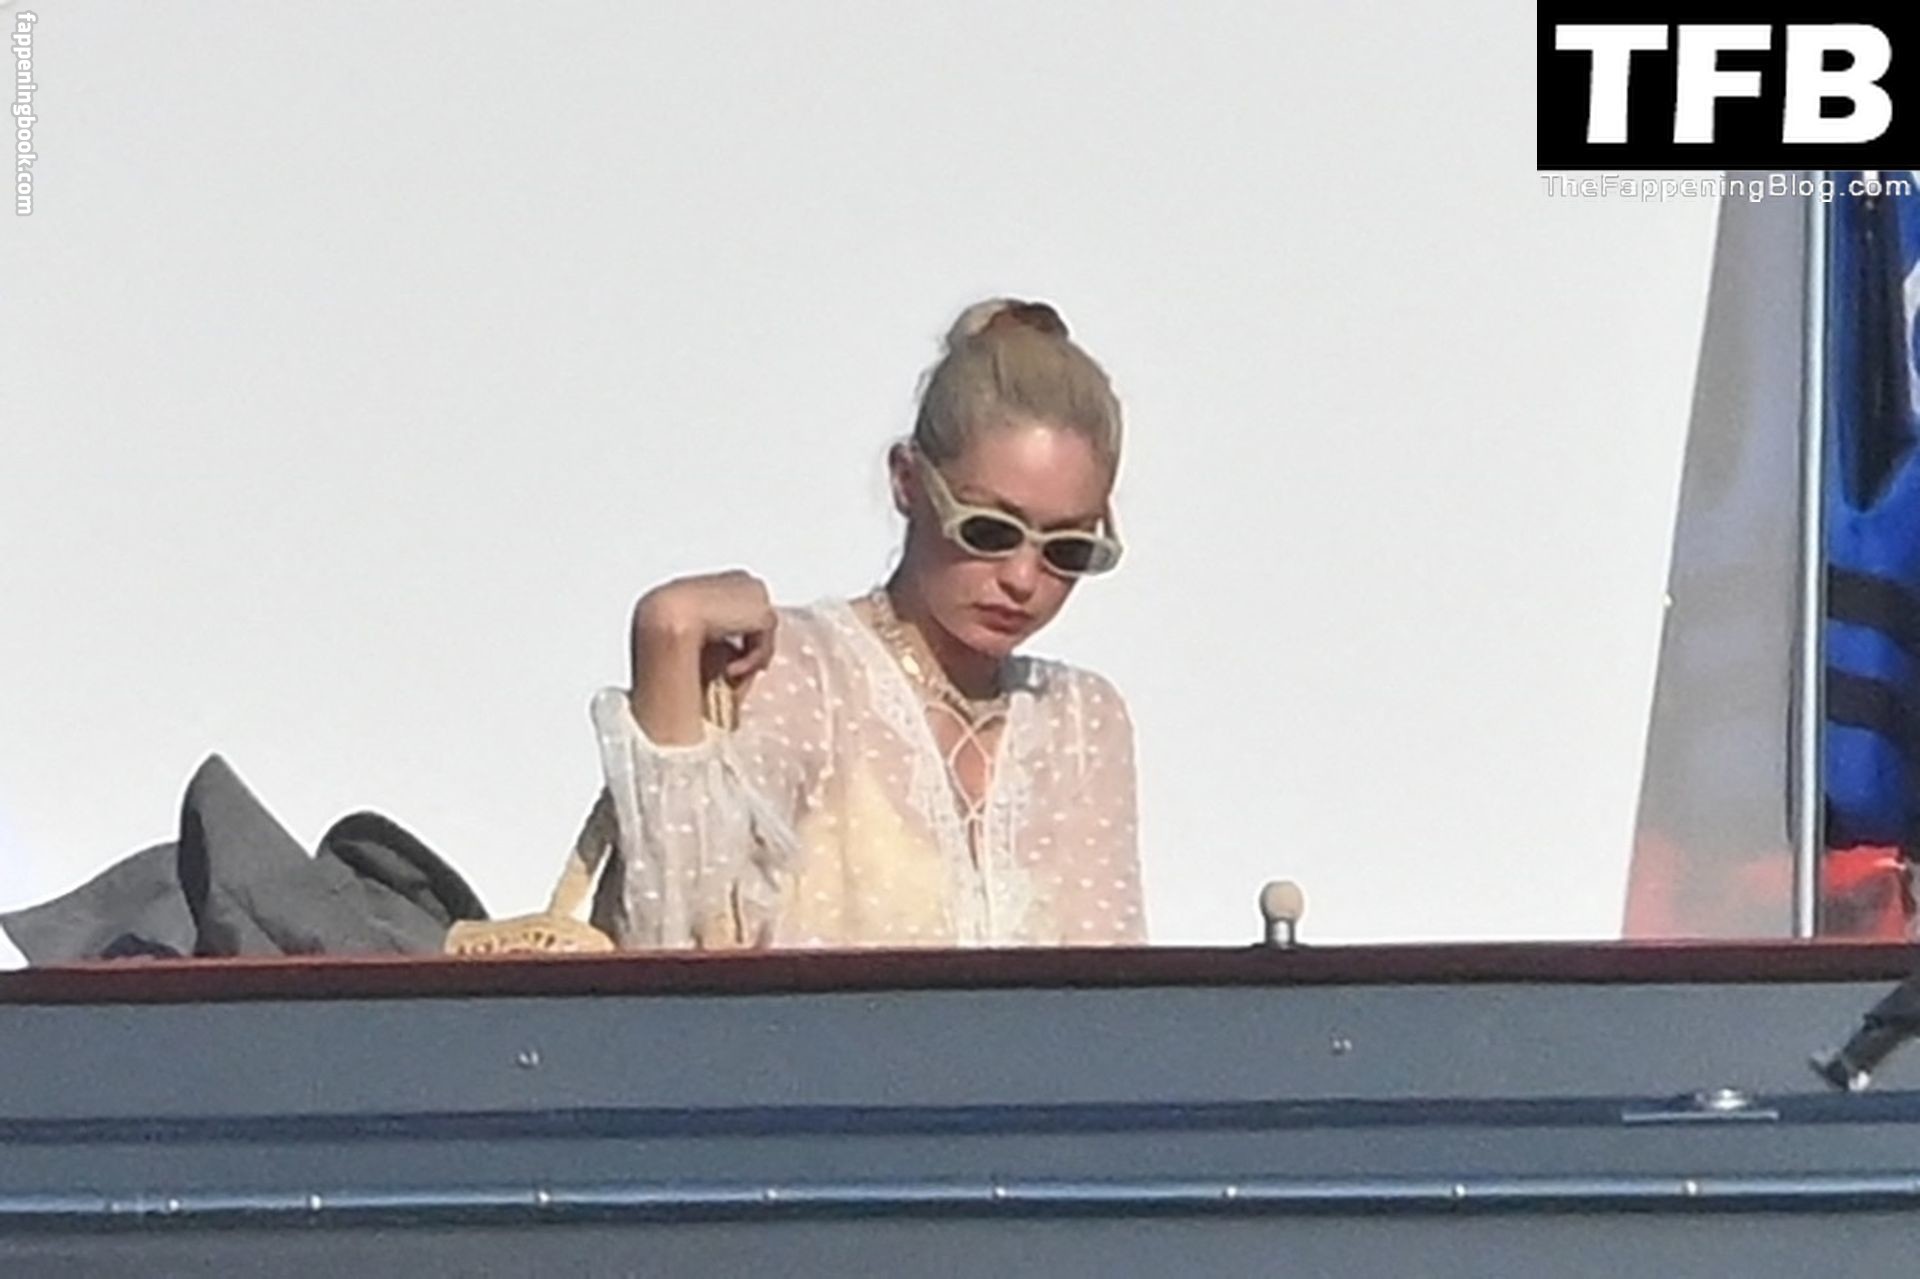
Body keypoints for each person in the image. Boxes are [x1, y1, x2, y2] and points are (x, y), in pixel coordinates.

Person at [582, 298, 1145, 949]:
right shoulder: (800, 674)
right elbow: (665, 942)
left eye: (1069, 548)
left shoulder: (1080, 721)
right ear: (908, 482)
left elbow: (1110, 988)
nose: (1022, 577)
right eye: (988, 530)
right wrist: (668, 632)